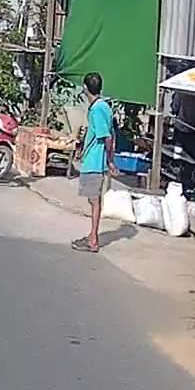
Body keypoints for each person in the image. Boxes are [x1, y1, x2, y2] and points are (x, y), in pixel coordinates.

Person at [72, 72, 117, 254]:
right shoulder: (102, 107)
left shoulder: (98, 109)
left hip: (95, 162)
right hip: (94, 159)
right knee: (94, 200)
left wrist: (110, 160)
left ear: (85, 87)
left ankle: (93, 240)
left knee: (94, 200)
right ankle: (92, 235)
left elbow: (106, 136)